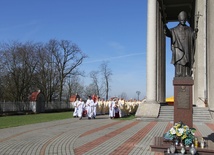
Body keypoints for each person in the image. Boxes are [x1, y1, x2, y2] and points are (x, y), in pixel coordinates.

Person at [164, 11, 198, 77]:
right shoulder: (174, 30)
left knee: (187, 62)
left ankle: (187, 74)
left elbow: (193, 36)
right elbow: (169, 33)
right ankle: (178, 74)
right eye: (182, 20)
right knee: (179, 61)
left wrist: (194, 32)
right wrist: (165, 27)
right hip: (178, 49)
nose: (183, 21)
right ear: (179, 19)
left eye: (184, 20)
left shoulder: (189, 29)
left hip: (186, 49)